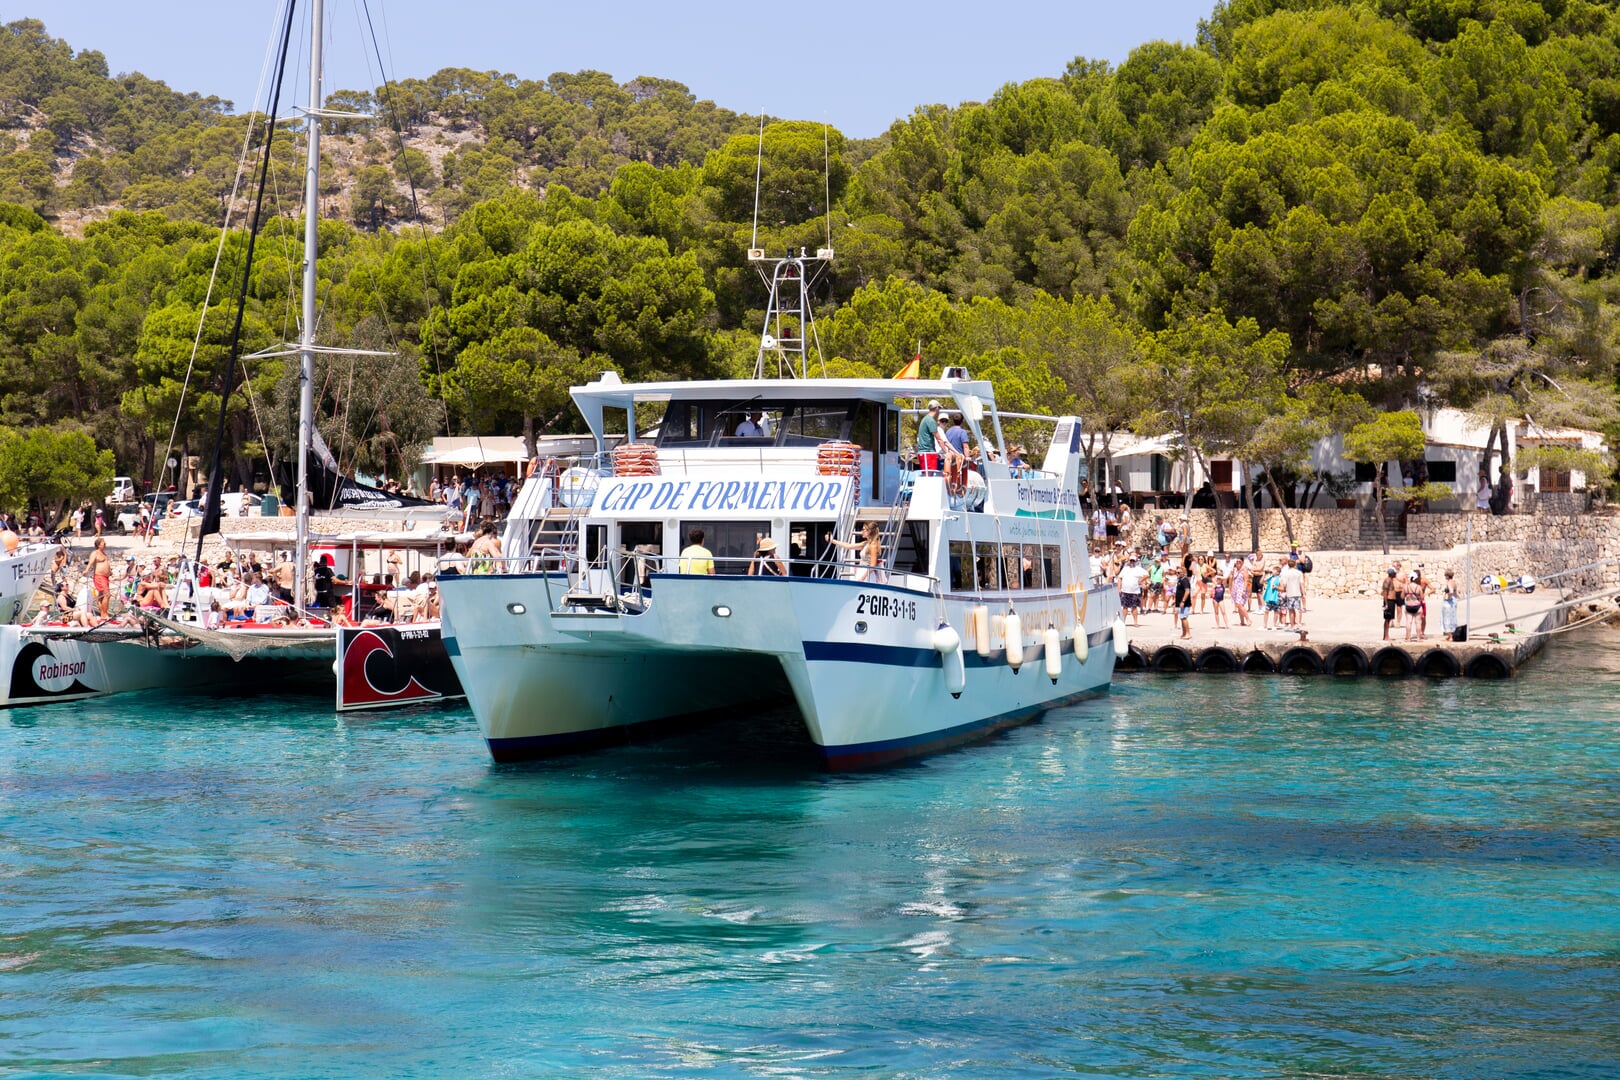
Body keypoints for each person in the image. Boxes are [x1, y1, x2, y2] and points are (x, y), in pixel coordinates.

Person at [1115, 554, 1147, 627]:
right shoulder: (1125, 568)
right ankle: (1123, 622)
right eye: (1131, 560)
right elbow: (1120, 578)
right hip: (1125, 591)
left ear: (1135, 561)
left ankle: (1135, 622)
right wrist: (1119, 588)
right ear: (1129, 561)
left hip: (1135, 591)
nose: (1132, 562)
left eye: (1133, 561)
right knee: (1125, 607)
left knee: (1134, 607)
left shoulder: (1139, 569)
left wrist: (1141, 580)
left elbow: (1147, 574)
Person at [87, 537, 112, 619]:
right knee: (107, 595)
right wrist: (86, 570)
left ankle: (102, 614)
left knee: (101, 595)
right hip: (99, 576)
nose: (105, 545)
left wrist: (109, 571)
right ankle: (104, 614)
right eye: (104, 544)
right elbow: (90, 563)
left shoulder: (104, 553)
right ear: (98, 545)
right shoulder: (95, 553)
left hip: (105, 577)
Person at [1279, 556, 1305, 628]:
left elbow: (1284, 584)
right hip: (1297, 593)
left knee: (1291, 610)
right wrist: (1303, 593)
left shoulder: (1286, 573)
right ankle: (1298, 623)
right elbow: (1301, 583)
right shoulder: (1299, 573)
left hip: (1290, 593)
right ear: (1295, 565)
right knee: (1297, 609)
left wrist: (1281, 591)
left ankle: (1292, 625)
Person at [916, 401, 942, 471]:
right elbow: (939, 439)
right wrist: (946, 452)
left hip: (924, 452)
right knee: (929, 475)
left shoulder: (925, 419)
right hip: (928, 453)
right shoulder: (931, 420)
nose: (939, 410)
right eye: (939, 408)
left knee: (926, 474)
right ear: (936, 408)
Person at [1402, 570, 1426, 641]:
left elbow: (1402, 596)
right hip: (1417, 606)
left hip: (1408, 606)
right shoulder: (1418, 587)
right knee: (1418, 622)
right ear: (1415, 578)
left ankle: (1408, 638)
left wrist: (1408, 595)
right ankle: (1418, 638)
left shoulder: (1406, 587)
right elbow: (1422, 597)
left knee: (1408, 622)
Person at [1172, 565, 1193, 640]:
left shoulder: (1185, 580)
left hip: (1185, 603)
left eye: (1179, 572)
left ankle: (1188, 633)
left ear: (1183, 573)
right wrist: (1175, 601)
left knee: (1184, 618)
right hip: (1179, 603)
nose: (1177, 574)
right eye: (1176, 572)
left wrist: (1183, 601)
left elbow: (1187, 591)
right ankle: (1184, 633)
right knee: (1181, 618)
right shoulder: (1179, 580)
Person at [1440, 569, 1460, 639]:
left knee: (1447, 618)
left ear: (1447, 576)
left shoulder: (1449, 583)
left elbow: (1451, 591)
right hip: (1454, 601)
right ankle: (1450, 635)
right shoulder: (1454, 582)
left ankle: (1450, 636)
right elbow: (1456, 593)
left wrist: (1447, 597)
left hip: (1449, 602)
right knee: (1452, 618)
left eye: (1445, 575)